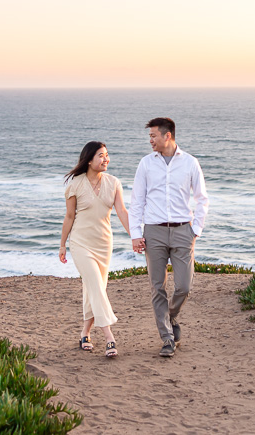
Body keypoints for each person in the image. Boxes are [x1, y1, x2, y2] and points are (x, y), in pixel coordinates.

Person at [129, 117, 209, 357]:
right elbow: (137, 201)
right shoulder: (145, 164)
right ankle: (167, 339)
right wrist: (135, 234)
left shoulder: (190, 163)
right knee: (157, 287)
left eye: (154, 136)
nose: (150, 140)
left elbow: (202, 199)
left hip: (184, 230)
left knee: (184, 286)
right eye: (150, 136)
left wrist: (196, 230)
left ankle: (170, 315)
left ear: (168, 136)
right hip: (154, 231)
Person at [59, 141, 131, 358]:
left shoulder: (114, 182)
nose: (106, 159)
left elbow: (121, 211)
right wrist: (62, 245)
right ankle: (109, 336)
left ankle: (85, 333)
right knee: (96, 287)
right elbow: (70, 216)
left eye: (107, 155)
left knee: (95, 288)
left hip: (104, 243)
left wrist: (135, 236)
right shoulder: (75, 184)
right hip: (81, 243)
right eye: (101, 155)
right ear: (89, 159)